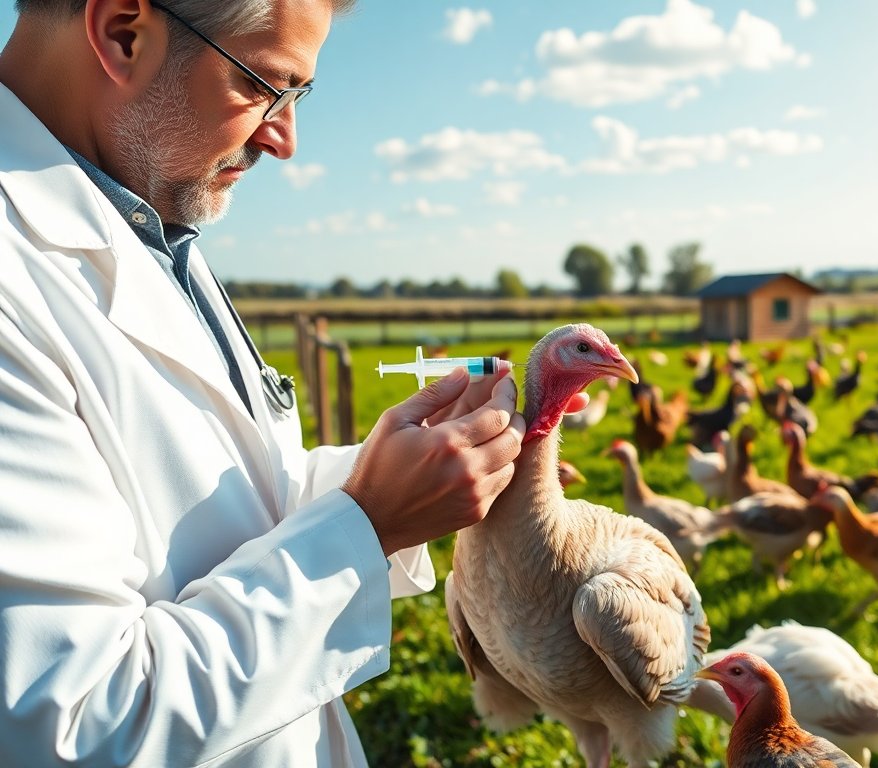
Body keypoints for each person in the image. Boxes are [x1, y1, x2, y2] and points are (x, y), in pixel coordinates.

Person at [0, 1, 564, 765]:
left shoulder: (151, 222)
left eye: (297, 97)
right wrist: (366, 524)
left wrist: (405, 471)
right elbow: (73, 724)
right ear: (123, 33)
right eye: (265, 84)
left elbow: (212, 512)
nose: (285, 138)